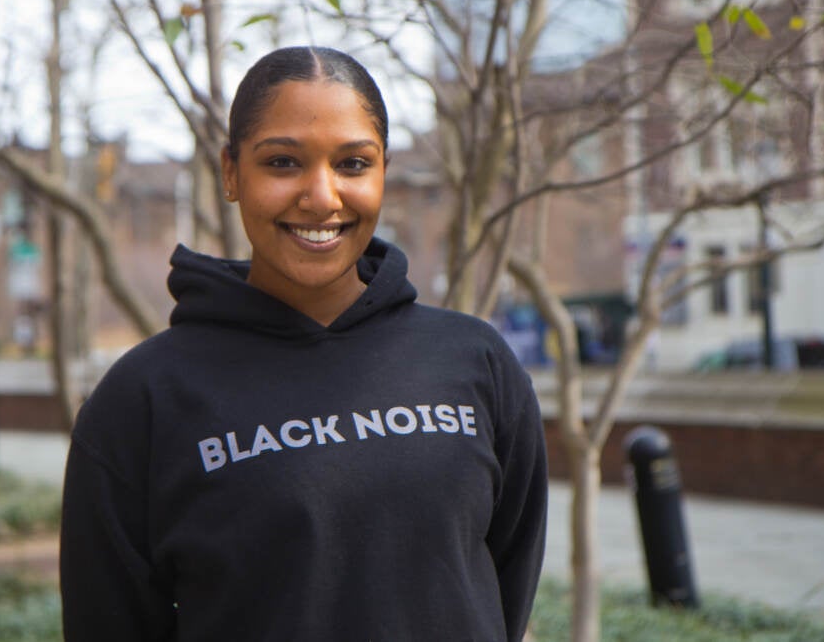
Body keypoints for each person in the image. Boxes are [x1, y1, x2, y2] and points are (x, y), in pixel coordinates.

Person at [59, 46, 548, 641]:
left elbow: (503, 591)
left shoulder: (476, 362)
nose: (322, 197)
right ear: (232, 173)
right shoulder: (143, 399)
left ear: (383, 173)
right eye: (284, 162)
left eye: (352, 164)